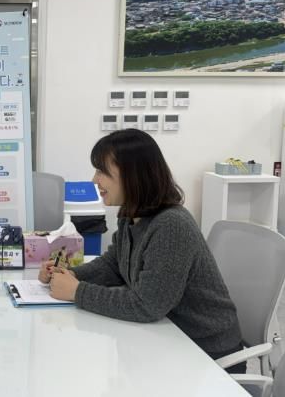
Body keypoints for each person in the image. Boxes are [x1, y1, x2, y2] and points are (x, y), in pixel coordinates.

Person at [38, 129, 244, 371]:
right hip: (168, 338)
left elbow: (147, 306)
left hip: (207, 354)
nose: (94, 180)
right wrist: (70, 274)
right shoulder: (131, 214)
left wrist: (77, 291)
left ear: (132, 174)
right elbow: (114, 264)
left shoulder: (171, 226)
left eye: (102, 171)